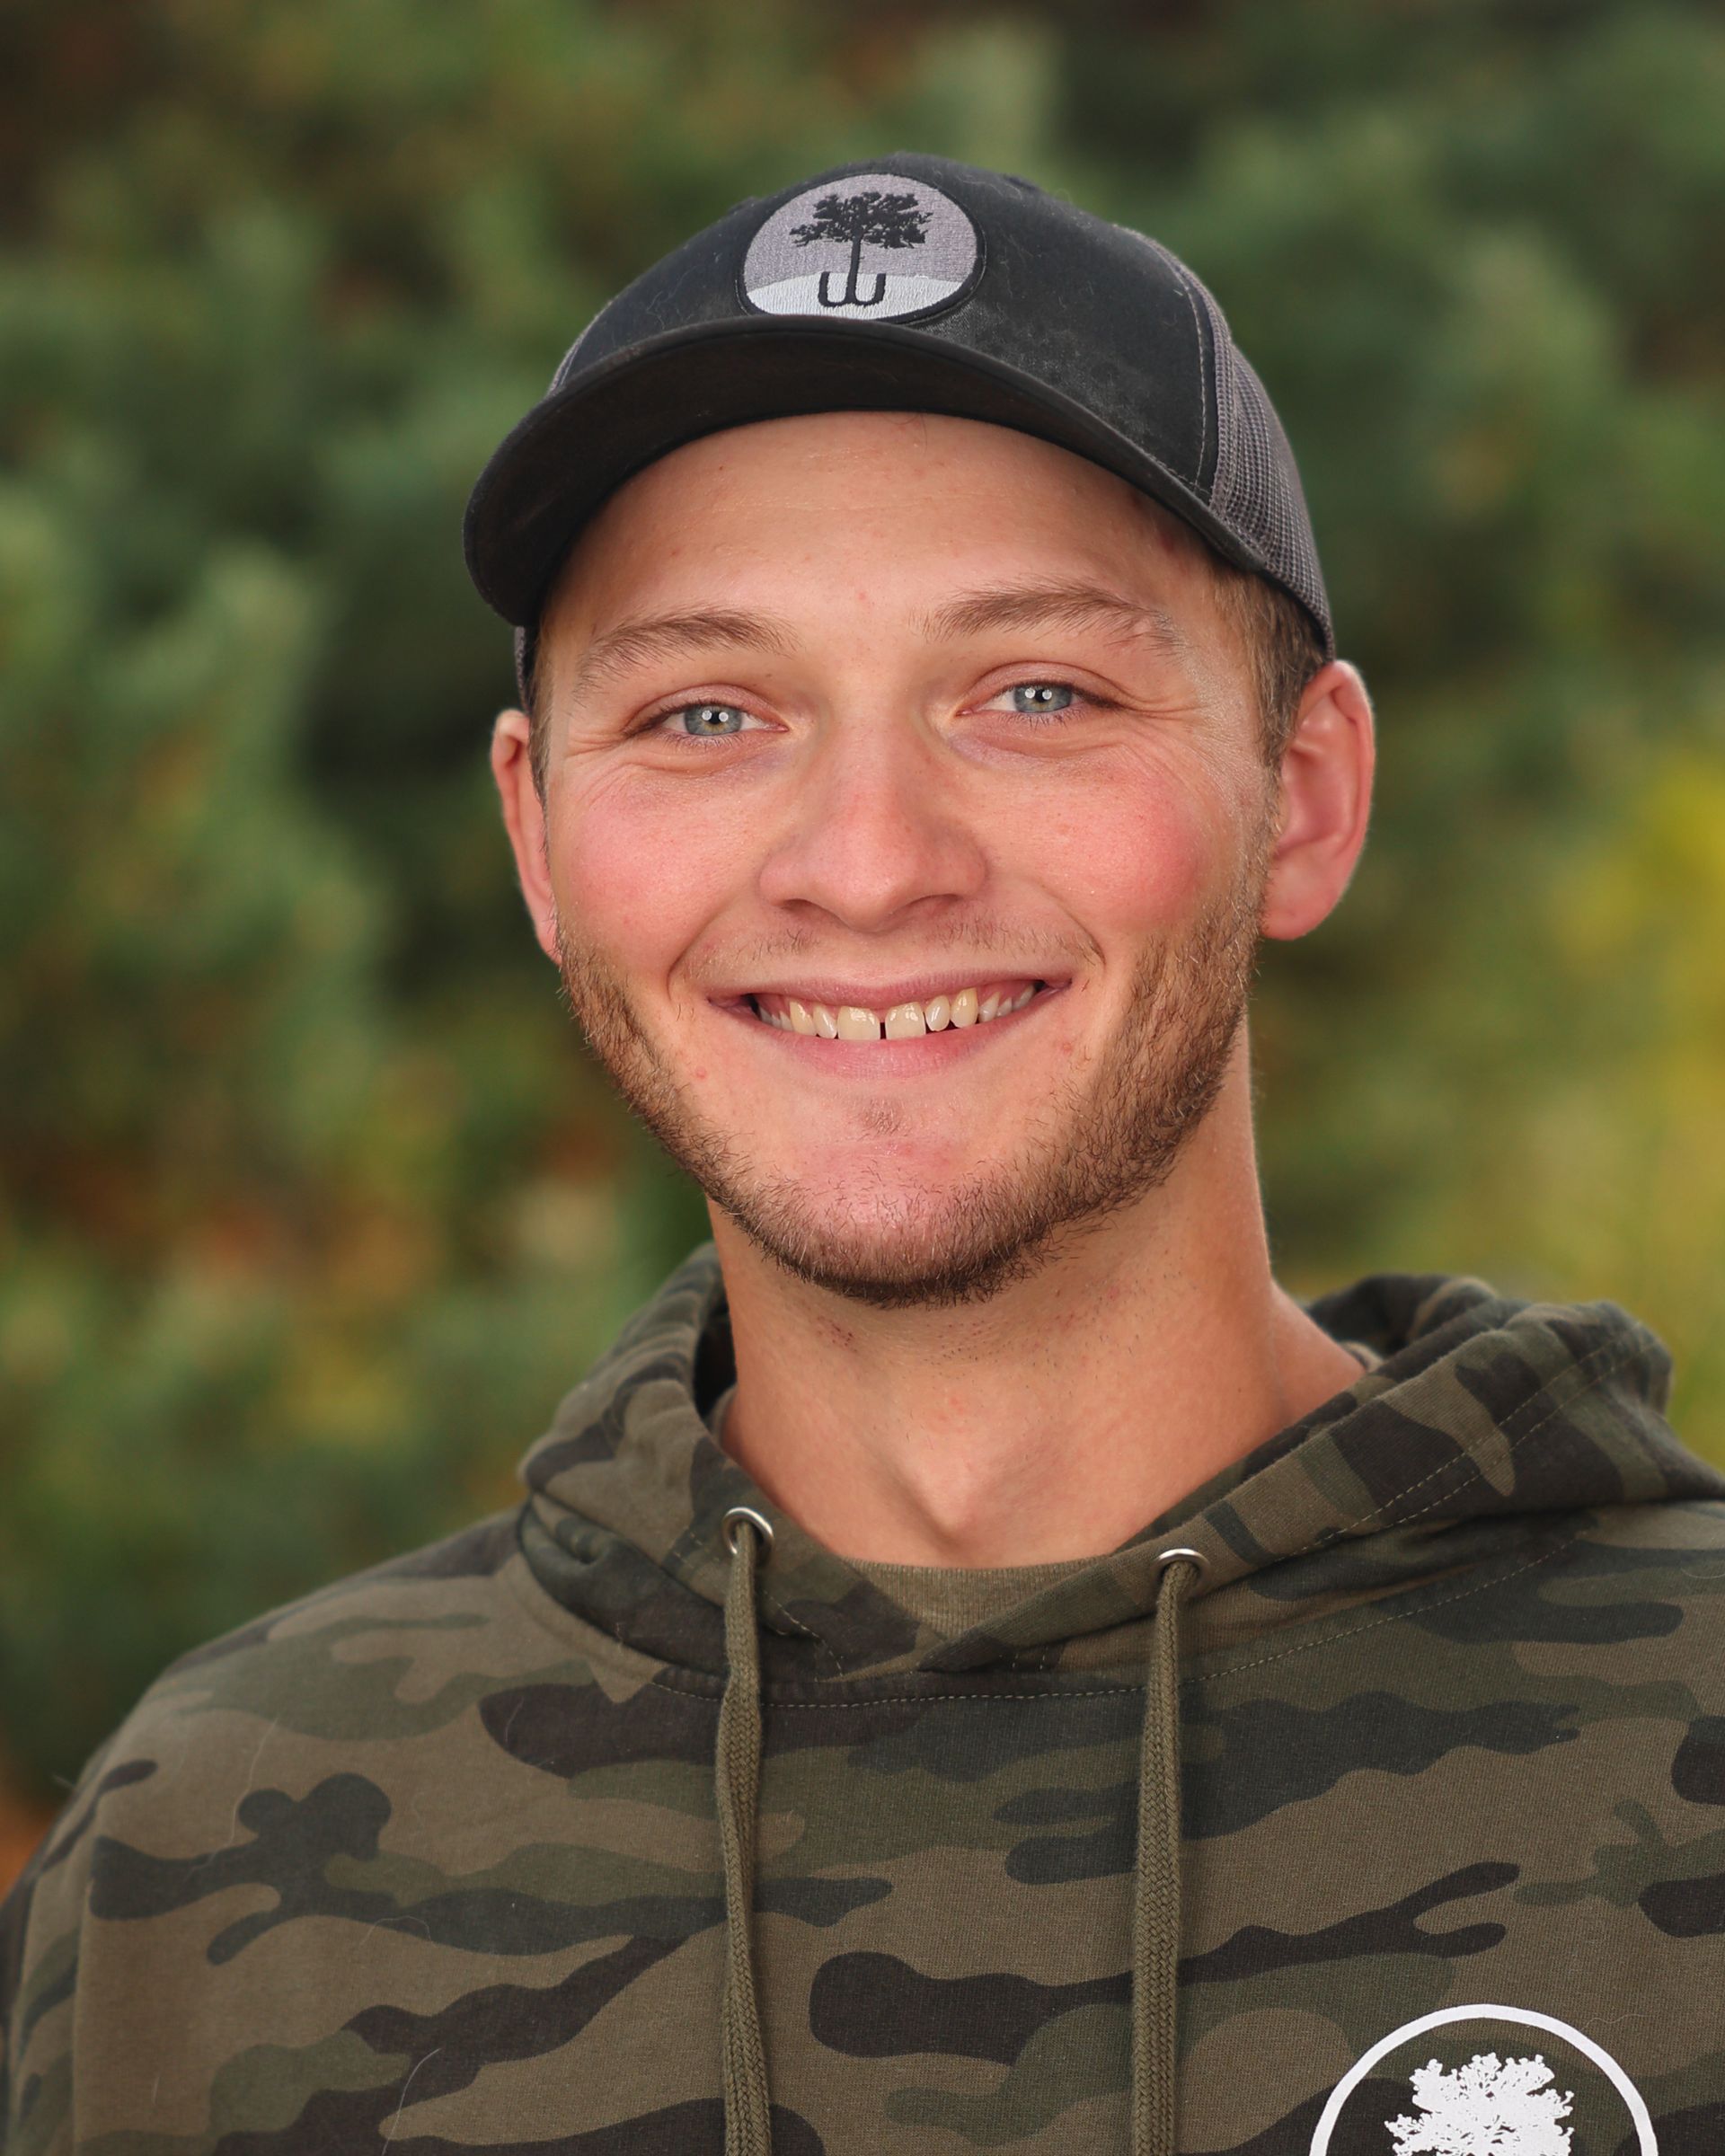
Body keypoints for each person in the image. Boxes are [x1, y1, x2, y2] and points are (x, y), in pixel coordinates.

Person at [4, 152, 1723, 2156]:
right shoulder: (198, 1875)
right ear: (541, 840)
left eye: (1036, 693)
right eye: (710, 713)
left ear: (1308, 795)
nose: (871, 862)